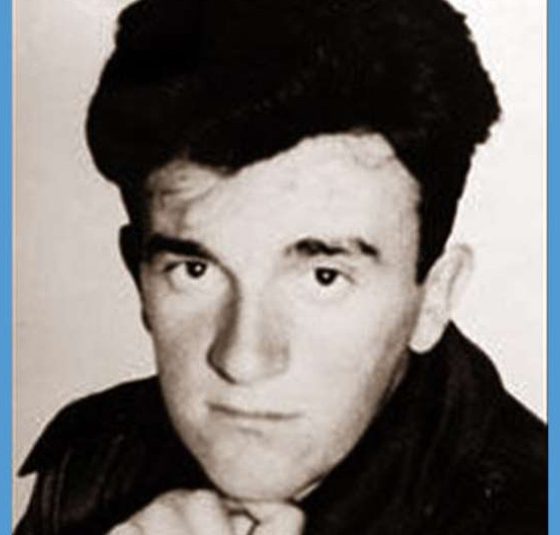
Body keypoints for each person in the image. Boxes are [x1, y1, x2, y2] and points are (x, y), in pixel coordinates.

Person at [15, 0, 547, 533]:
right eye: (194, 271)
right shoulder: (91, 471)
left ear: (435, 297)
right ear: (139, 279)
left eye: (324, 277)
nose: (243, 360)